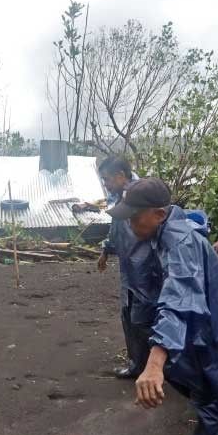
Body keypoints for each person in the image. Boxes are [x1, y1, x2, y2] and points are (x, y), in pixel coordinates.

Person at [107, 178, 218, 435]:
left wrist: (154, 362)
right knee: (194, 374)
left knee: (212, 382)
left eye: (134, 218)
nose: (130, 225)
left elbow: (179, 297)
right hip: (201, 317)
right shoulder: (156, 234)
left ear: (159, 214)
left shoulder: (181, 242)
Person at [93, 156, 147, 379]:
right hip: (129, 267)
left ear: (120, 176)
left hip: (146, 267)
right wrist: (107, 249)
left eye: (106, 179)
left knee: (145, 319)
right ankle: (137, 365)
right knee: (129, 316)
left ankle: (158, 367)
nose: (104, 184)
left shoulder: (143, 194)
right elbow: (116, 226)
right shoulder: (117, 195)